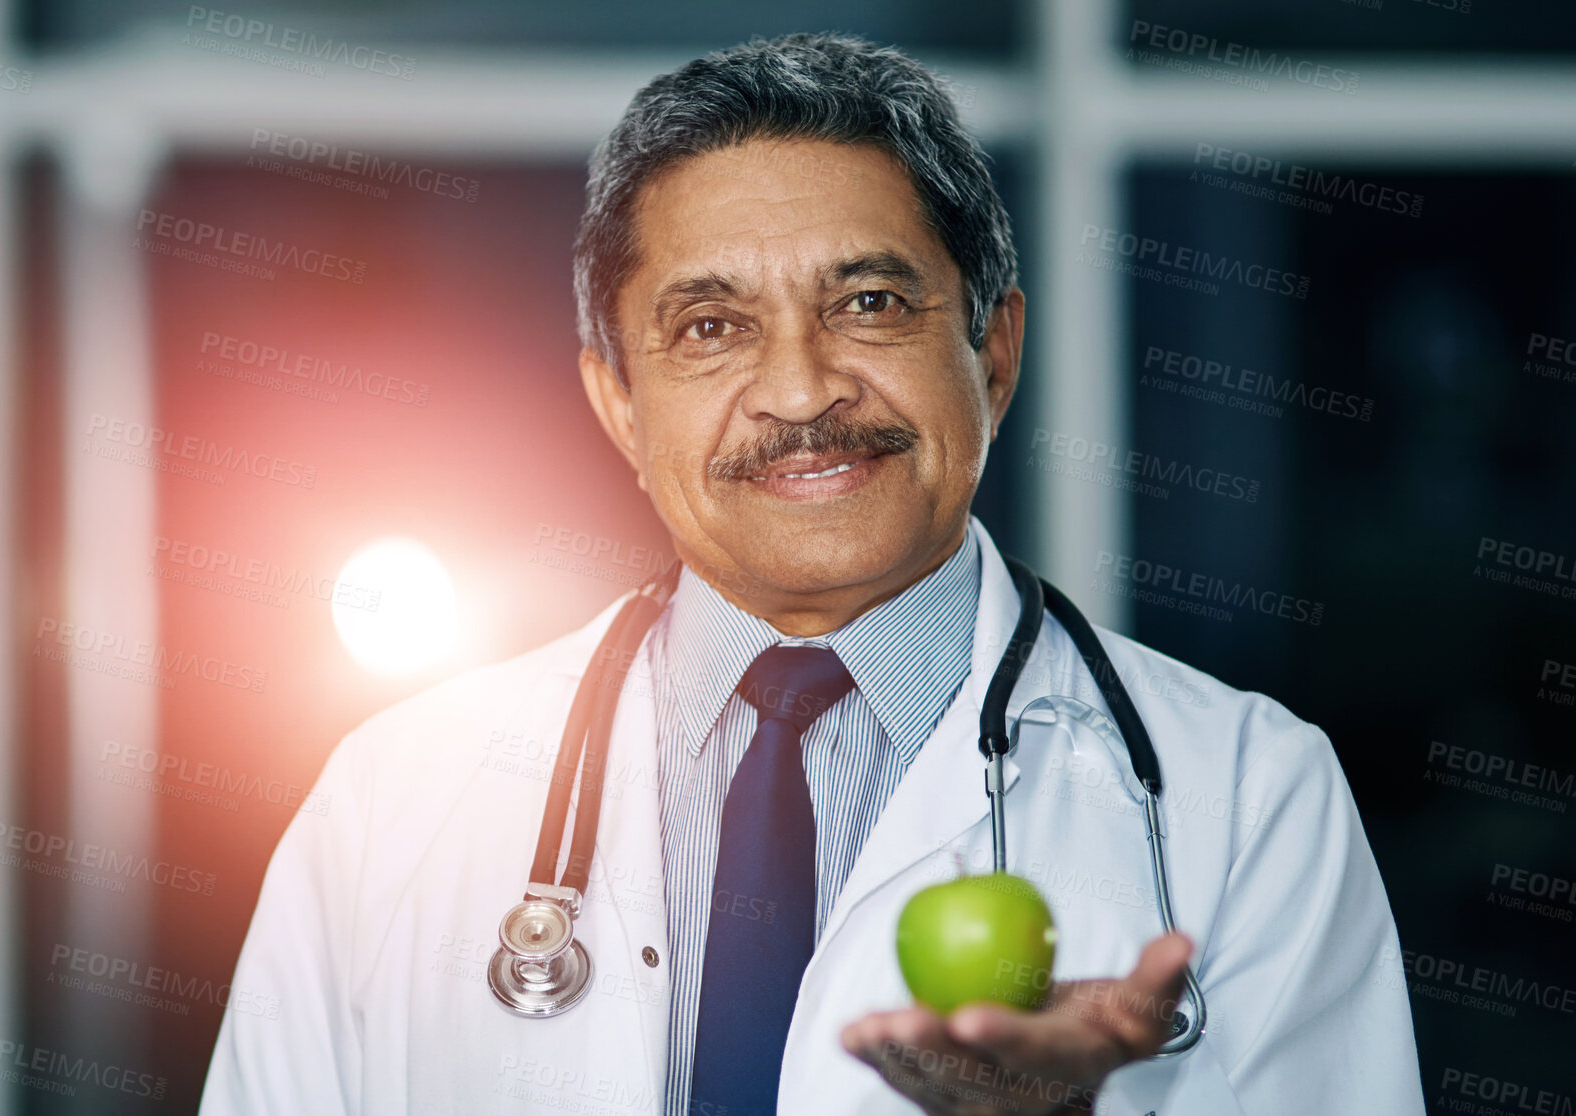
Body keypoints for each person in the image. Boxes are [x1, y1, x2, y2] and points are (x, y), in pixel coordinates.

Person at [200, 32, 1424, 1116]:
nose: (800, 391)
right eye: (711, 328)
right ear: (618, 402)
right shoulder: (395, 797)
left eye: (872, 302)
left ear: (992, 352)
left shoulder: (1247, 797)